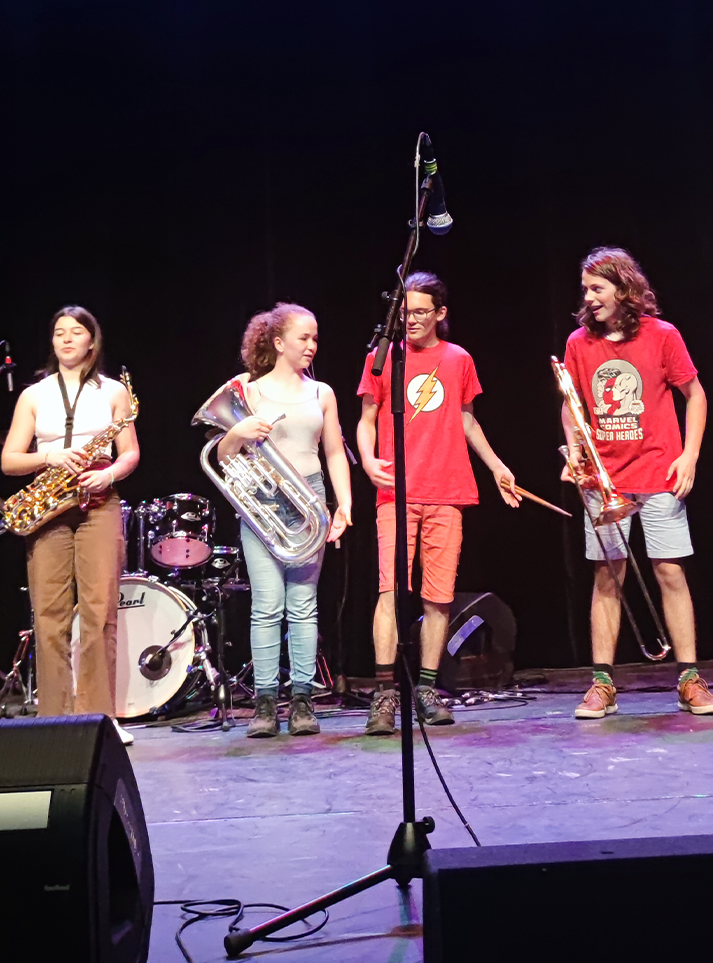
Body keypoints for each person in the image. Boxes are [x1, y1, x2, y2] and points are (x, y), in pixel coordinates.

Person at [561, 247, 713, 720]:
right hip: (604, 477)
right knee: (608, 577)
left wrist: (689, 454)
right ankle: (602, 683)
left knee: (670, 572)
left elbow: (695, 395)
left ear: (623, 288)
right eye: (586, 289)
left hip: (658, 472)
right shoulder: (578, 343)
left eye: (597, 288)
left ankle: (689, 677)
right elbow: (571, 404)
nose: (589, 297)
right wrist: (574, 450)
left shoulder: (662, 335)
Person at [357, 271, 519, 734]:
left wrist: (496, 466)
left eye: (421, 313)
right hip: (396, 492)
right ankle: (386, 693)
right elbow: (366, 418)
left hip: (447, 490)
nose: (411, 320)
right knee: (391, 591)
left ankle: (426, 688)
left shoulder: (458, 359)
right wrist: (368, 459)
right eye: (405, 313)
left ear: (440, 314)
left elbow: (467, 420)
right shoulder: (382, 356)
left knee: (438, 596)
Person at [1, 306, 140, 744]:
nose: (65, 340)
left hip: (98, 500)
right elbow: (8, 460)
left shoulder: (115, 392)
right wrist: (49, 456)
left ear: (91, 342)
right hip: (49, 505)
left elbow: (131, 453)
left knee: (99, 614)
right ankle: (53, 721)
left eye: (75, 333)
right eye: (58, 333)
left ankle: (99, 720)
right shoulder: (34, 395)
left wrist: (109, 473)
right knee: (49, 615)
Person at [214, 303, 352, 738]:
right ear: (278, 343)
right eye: (303, 338)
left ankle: (303, 700)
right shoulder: (246, 390)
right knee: (267, 606)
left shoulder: (321, 393)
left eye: (314, 338)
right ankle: (265, 702)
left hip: (308, 497)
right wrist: (236, 434)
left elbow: (333, 452)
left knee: (303, 605)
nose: (311, 346)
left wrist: (344, 505)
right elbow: (221, 457)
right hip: (262, 500)